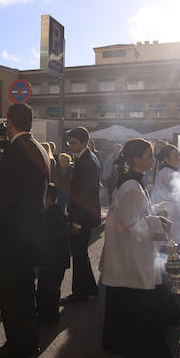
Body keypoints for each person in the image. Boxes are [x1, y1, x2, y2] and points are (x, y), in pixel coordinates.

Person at [99, 139, 175, 358]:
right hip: (130, 259)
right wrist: (159, 223)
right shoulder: (131, 187)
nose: (153, 161)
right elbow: (134, 225)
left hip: (128, 258)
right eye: (149, 156)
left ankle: (120, 345)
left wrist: (153, 214)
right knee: (137, 309)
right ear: (135, 159)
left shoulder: (132, 184)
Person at [0, 103, 50, 358]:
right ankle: (28, 341)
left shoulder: (15, 151)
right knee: (25, 292)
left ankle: (17, 345)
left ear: (10, 121)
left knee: (12, 294)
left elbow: (4, 201)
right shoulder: (39, 147)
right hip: (32, 233)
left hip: (14, 236)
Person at [62, 127, 101, 304]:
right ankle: (89, 288)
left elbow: (86, 195)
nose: (70, 146)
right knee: (80, 254)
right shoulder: (85, 158)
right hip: (83, 215)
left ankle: (80, 293)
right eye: (69, 142)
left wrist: (77, 222)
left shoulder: (88, 161)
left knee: (78, 254)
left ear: (84, 143)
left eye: (74, 143)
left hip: (82, 217)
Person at [36, 183, 70, 326]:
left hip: (51, 262)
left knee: (47, 289)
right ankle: (49, 316)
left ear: (47, 198)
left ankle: (47, 318)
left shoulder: (49, 216)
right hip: (59, 262)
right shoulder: (59, 213)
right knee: (51, 289)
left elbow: (46, 241)